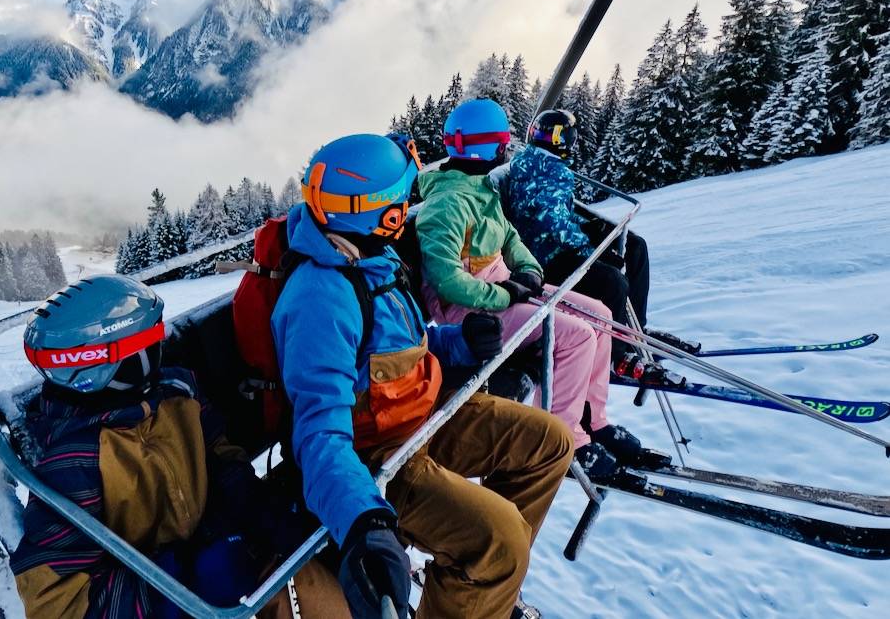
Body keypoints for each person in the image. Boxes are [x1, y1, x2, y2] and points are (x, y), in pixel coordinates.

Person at [273, 133, 574, 619]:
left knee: (550, 443)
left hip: (426, 410)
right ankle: (486, 568)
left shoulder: (373, 255)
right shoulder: (321, 299)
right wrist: (363, 521)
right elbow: (319, 435)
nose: (409, 207)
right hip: (380, 454)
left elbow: (403, 343)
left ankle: (476, 585)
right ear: (383, 214)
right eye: (401, 200)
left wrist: (458, 343)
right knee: (501, 540)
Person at [10, 274, 345, 619]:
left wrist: (255, 508)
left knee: (317, 590)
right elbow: (56, 604)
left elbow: (217, 452)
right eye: (150, 342)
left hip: (231, 562)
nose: (162, 346)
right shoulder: (74, 464)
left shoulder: (174, 392)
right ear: (109, 362)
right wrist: (178, 580)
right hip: (171, 601)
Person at [416, 98, 644, 479]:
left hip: (499, 290)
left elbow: (510, 239)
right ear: (489, 148)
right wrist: (506, 293)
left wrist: (530, 272)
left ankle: (594, 419)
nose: (508, 150)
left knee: (601, 316)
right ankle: (561, 439)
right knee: (575, 336)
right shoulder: (448, 204)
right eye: (504, 144)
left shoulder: (480, 189)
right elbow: (448, 283)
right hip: (470, 312)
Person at [497, 109, 699, 368]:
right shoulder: (544, 171)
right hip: (543, 259)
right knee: (613, 281)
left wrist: (590, 230)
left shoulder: (543, 165)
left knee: (635, 247)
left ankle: (632, 330)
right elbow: (550, 226)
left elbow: (557, 215)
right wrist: (590, 250)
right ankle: (616, 355)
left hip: (552, 246)